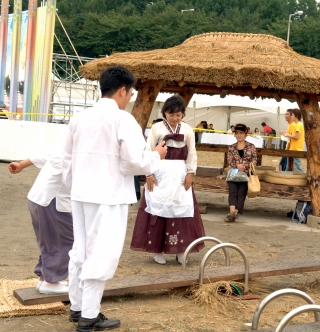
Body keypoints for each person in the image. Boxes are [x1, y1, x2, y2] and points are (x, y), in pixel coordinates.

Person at [61, 66, 167, 331]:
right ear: (122, 90)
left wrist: (74, 186)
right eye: (131, 92)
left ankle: (78, 307)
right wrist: (156, 156)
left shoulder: (79, 118)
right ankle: (89, 316)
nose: (130, 97)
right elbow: (134, 161)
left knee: (81, 250)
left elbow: (65, 160)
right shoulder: (122, 120)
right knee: (101, 253)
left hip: (81, 192)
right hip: (107, 196)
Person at [131, 95, 205, 265]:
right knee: (158, 210)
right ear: (165, 113)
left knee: (180, 210)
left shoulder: (187, 130)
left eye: (178, 115)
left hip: (180, 174)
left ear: (183, 115)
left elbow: (192, 152)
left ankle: (180, 249)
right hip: (160, 173)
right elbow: (148, 150)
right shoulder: (156, 128)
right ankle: (157, 250)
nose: (175, 118)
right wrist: (148, 174)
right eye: (171, 114)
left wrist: (190, 172)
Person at [8, 147, 73, 295]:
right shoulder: (82, 148)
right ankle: (51, 282)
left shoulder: (70, 142)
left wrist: (21, 165)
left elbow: (45, 154)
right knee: (65, 241)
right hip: (53, 201)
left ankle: (46, 278)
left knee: (49, 240)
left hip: (38, 198)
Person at [224, 123, 257, 222]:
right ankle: (232, 211)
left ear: (245, 134)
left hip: (246, 174)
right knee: (233, 190)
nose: (239, 135)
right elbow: (229, 160)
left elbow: (254, 160)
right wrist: (237, 166)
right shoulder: (231, 147)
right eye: (237, 133)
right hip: (234, 172)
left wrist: (245, 167)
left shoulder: (251, 147)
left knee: (242, 191)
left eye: (241, 133)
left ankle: (235, 212)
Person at [281, 108, 305, 173]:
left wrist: (286, 134)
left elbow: (297, 137)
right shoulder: (297, 125)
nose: (291, 116)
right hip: (293, 149)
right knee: (290, 168)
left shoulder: (298, 125)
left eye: (292, 115)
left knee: (297, 169)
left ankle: (308, 176)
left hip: (296, 149)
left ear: (296, 116)